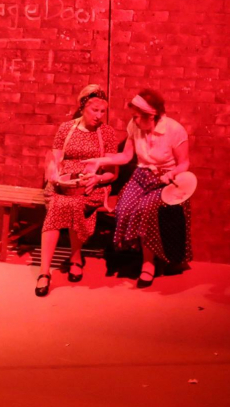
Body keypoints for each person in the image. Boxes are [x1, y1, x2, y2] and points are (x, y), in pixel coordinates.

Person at [82, 89, 191, 288]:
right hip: (141, 176)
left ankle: (148, 264)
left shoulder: (174, 130)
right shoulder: (135, 126)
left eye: (137, 116)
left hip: (166, 181)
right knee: (123, 207)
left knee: (145, 209)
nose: (134, 120)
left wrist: (171, 174)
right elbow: (125, 157)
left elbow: (184, 163)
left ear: (151, 115)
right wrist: (99, 161)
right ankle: (135, 252)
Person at [35, 85, 119, 297]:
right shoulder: (66, 129)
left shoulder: (107, 133)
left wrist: (98, 178)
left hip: (92, 185)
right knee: (58, 204)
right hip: (63, 184)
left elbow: (112, 173)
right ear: (83, 108)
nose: (99, 116)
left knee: (75, 203)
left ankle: (75, 257)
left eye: (102, 111)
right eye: (94, 110)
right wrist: (54, 176)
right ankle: (44, 272)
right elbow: (54, 160)